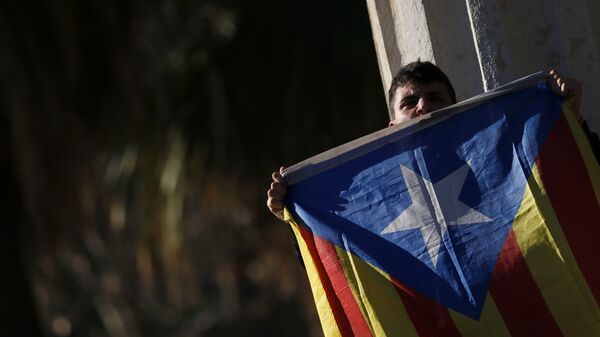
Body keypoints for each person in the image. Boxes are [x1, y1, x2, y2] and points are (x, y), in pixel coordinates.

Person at [267, 61, 591, 221]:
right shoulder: (371, 194)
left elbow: (575, 186)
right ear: (391, 126)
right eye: (410, 103)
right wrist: (293, 209)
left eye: (435, 97)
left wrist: (569, 123)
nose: (423, 106)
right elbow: (340, 254)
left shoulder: (504, 158)